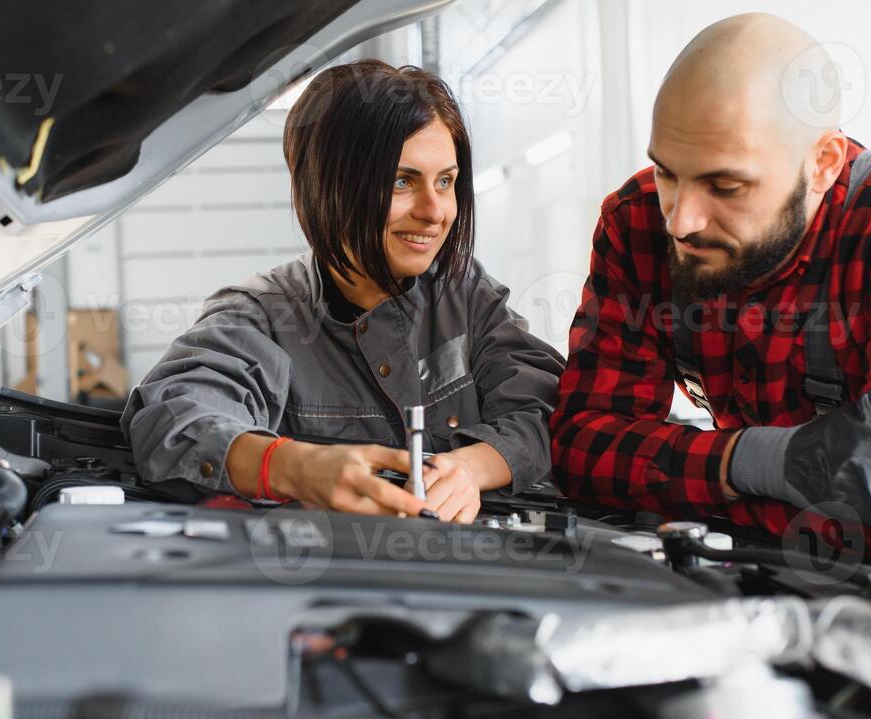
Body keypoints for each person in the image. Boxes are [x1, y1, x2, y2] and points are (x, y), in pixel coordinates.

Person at [552, 13, 871, 592]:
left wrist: (693, 480)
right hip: (786, 547)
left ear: (822, 163)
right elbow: (580, 450)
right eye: (668, 173)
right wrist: (768, 461)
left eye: (726, 186)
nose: (682, 220)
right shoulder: (636, 222)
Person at [122, 60, 563, 523]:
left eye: (446, 181)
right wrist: (297, 467)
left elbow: (545, 412)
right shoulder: (262, 317)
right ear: (329, 185)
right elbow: (174, 420)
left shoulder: (466, 294)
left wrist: (468, 468)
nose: (435, 212)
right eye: (401, 181)